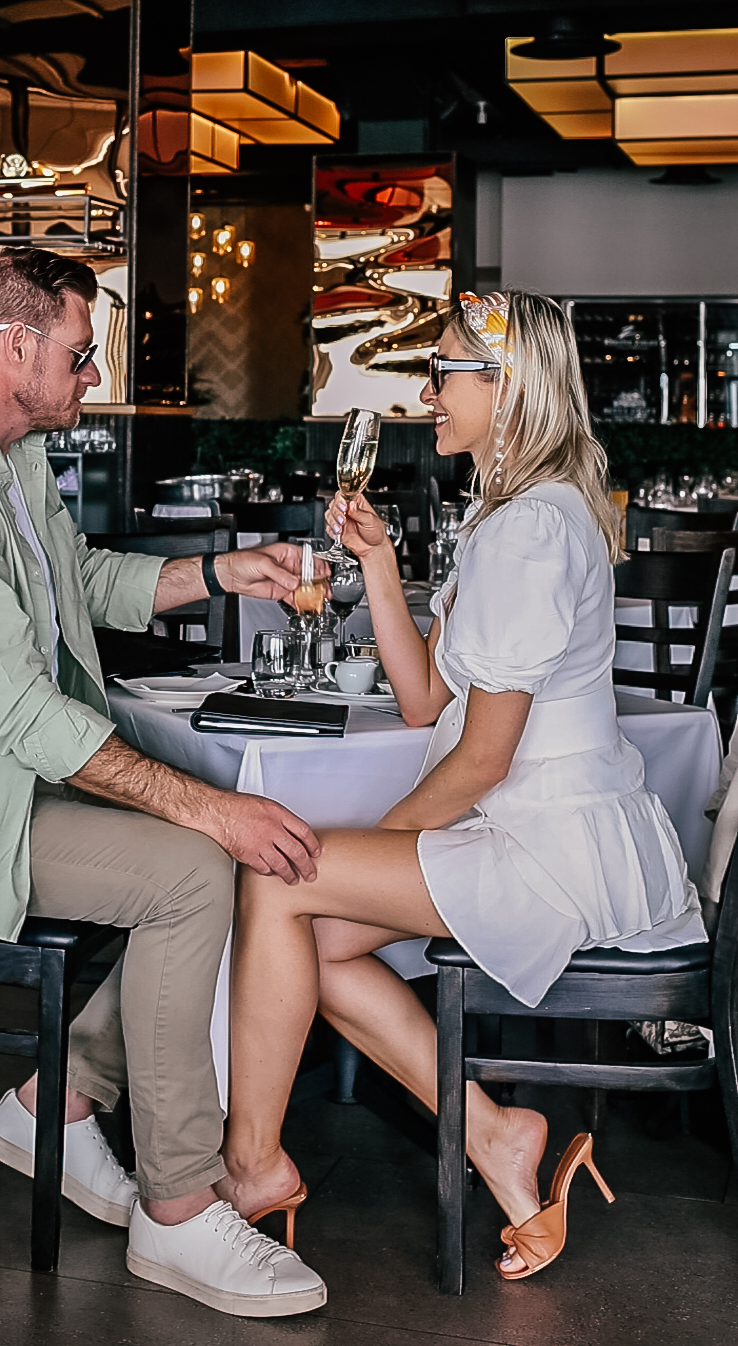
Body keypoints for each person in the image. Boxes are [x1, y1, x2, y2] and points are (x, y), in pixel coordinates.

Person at [0, 248, 327, 1318]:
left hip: (2, 783)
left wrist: (218, 572)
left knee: (219, 865)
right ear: (13, 347)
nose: (91, 373)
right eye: (76, 351)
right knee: (200, 868)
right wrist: (210, 806)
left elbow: (84, 583)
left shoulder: (4, 455)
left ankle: (49, 1109)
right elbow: (16, 711)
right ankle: (179, 1208)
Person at [216, 291, 705, 1283]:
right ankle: (493, 1137)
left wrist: (368, 855)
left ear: (509, 389)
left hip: (551, 846)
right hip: (528, 829)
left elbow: (480, 757)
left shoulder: (529, 529)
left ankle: (250, 1168)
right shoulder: (506, 515)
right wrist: (382, 569)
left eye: (444, 371)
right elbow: (422, 700)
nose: (427, 391)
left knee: (281, 881)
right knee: (307, 930)